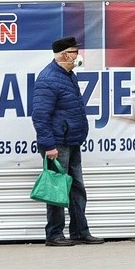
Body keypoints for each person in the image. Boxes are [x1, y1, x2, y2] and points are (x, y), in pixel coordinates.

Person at [32, 36, 104, 247]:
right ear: (65, 55)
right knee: (56, 188)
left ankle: (80, 231)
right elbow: (40, 115)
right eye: (74, 52)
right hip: (57, 144)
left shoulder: (67, 75)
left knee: (76, 187)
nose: (78, 55)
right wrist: (49, 146)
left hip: (71, 141)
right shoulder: (48, 79)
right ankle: (54, 234)